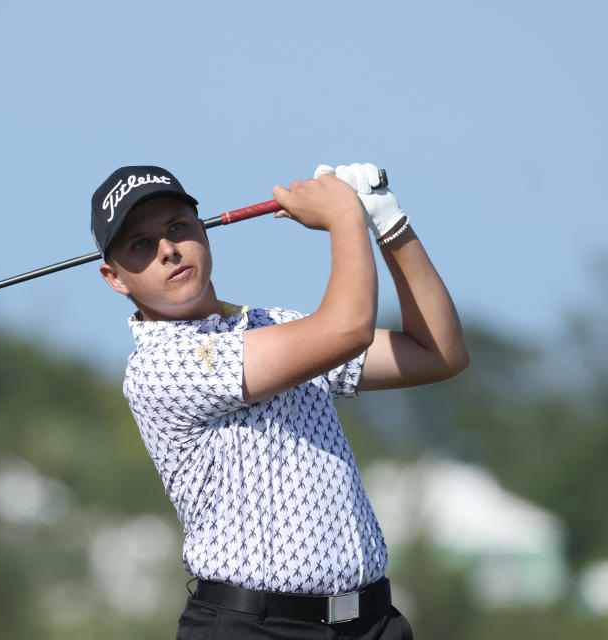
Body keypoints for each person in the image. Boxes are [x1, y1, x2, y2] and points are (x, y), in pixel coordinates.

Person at [91, 164, 469, 639]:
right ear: (115, 278)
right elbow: (347, 328)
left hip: (371, 623)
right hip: (254, 629)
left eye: (177, 227)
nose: (167, 250)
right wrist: (344, 219)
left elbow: (438, 353)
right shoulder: (159, 367)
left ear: (204, 233)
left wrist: (389, 223)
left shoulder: (276, 326)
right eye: (140, 245)